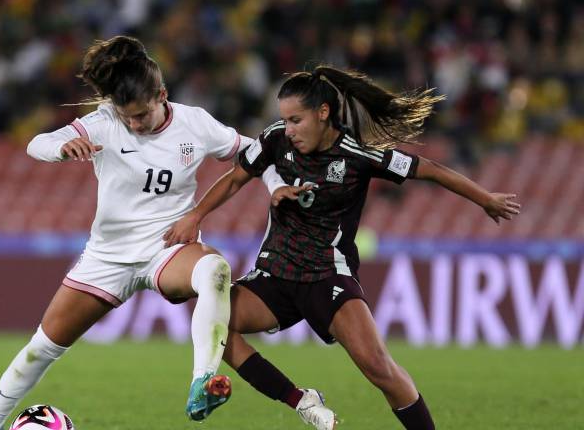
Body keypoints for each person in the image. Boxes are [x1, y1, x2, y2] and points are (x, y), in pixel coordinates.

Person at [163, 65, 522, 430]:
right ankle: (301, 400)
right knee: (214, 326)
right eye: (284, 120)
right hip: (275, 274)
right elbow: (235, 178)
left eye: (296, 120)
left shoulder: (358, 154)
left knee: (378, 368)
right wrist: (196, 215)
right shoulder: (276, 139)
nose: (288, 130)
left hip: (327, 276)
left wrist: (485, 199)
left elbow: (429, 169)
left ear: (323, 113)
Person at [0, 36, 286, 429]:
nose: (134, 124)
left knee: (216, 271)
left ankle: (202, 381)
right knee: (42, 348)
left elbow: (257, 153)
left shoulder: (195, 123)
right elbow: (39, 142)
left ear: (162, 95)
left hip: (166, 249)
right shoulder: (104, 121)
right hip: (108, 257)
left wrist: (275, 187)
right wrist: (61, 148)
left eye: (141, 114)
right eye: (127, 116)